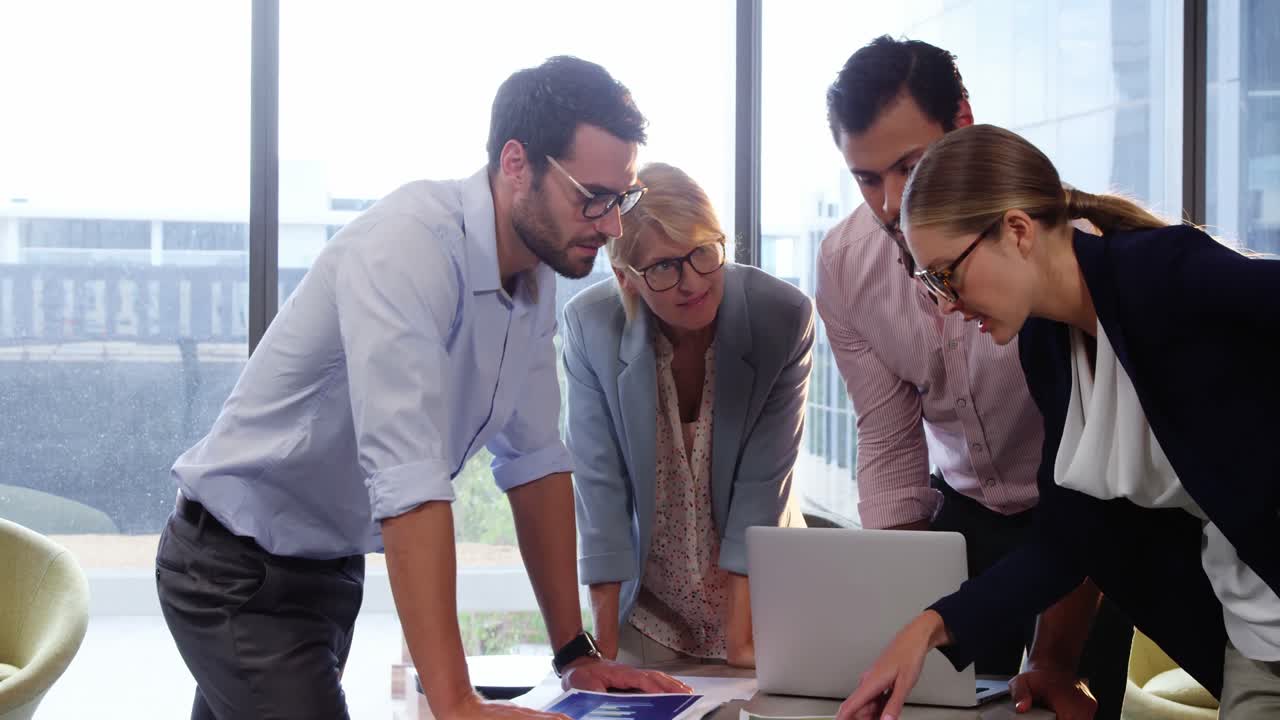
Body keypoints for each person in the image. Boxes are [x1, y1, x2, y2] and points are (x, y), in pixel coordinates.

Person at [155, 56, 690, 720]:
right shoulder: (408, 248)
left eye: (622, 199)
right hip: (233, 568)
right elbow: (407, 479)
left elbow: (535, 462)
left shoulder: (535, 271)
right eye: (593, 198)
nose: (612, 226)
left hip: (327, 568)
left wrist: (574, 654)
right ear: (517, 163)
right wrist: (455, 702)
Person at [839, 123, 1280, 720]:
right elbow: (1071, 537)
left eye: (947, 274)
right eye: (929, 283)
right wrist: (930, 627)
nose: (944, 303)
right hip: (1256, 636)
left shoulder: (1167, 274)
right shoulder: (1048, 345)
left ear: (1016, 231)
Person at [816, 36, 1129, 718]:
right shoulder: (844, 266)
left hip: (1087, 512)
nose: (889, 203)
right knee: (942, 703)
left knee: (1065, 700)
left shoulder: (1052, 250)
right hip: (962, 510)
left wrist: (1053, 661)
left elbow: (1091, 494)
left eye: (909, 166)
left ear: (963, 122)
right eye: (867, 179)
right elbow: (891, 449)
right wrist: (907, 622)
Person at [564, 163, 813, 668]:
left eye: (703, 252)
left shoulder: (782, 317)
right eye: (663, 267)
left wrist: (743, 645)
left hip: (766, 608)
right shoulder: (590, 326)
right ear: (625, 278)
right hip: (652, 617)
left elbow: (762, 491)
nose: (692, 281)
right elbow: (600, 491)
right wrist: (602, 656)